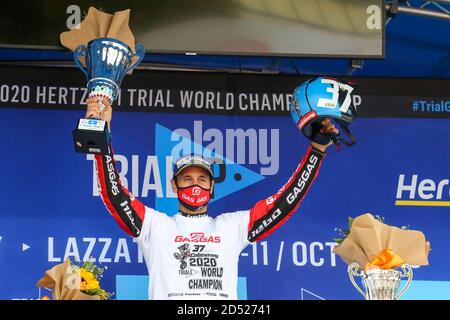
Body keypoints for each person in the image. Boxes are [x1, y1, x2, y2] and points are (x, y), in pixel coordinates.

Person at [86, 96, 338, 300]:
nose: (195, 184)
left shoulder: (232, 226)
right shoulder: (155, 225)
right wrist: (102, 138)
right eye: (187, 179)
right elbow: (114, 193)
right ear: (174, 186)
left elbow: (284, 203)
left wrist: (316, 152)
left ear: (212, 187)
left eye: (202, 179)